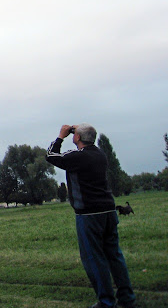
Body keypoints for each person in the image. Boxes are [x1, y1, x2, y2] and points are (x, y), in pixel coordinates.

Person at [46, 124, 136, 308]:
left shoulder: (78, 157)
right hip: (109, 211)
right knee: (114, 256)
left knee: (94, 259)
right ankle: (127, 299)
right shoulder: (100, 154)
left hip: (89, 215)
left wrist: (61, 136)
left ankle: (106, 301)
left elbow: (51, 156)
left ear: (77, 138)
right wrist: (81, 131)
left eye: (75, 135)